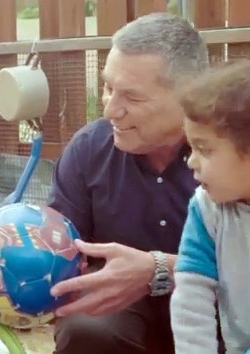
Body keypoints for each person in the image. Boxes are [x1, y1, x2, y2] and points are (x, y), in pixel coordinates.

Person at [47, 12, 209, 354]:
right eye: (108, 88)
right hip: (118, 314)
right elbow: (55, 247)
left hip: (222, 310)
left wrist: (160, 269)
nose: (110, 110)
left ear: (189, 94)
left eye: (132, 98)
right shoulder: (89, 149)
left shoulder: (236, 152)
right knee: (87, 326)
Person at [171, 60, 250, 354]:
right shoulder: (207, 209)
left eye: (204, 149)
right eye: (191, 148)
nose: (191, 161)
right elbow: (191, 296)